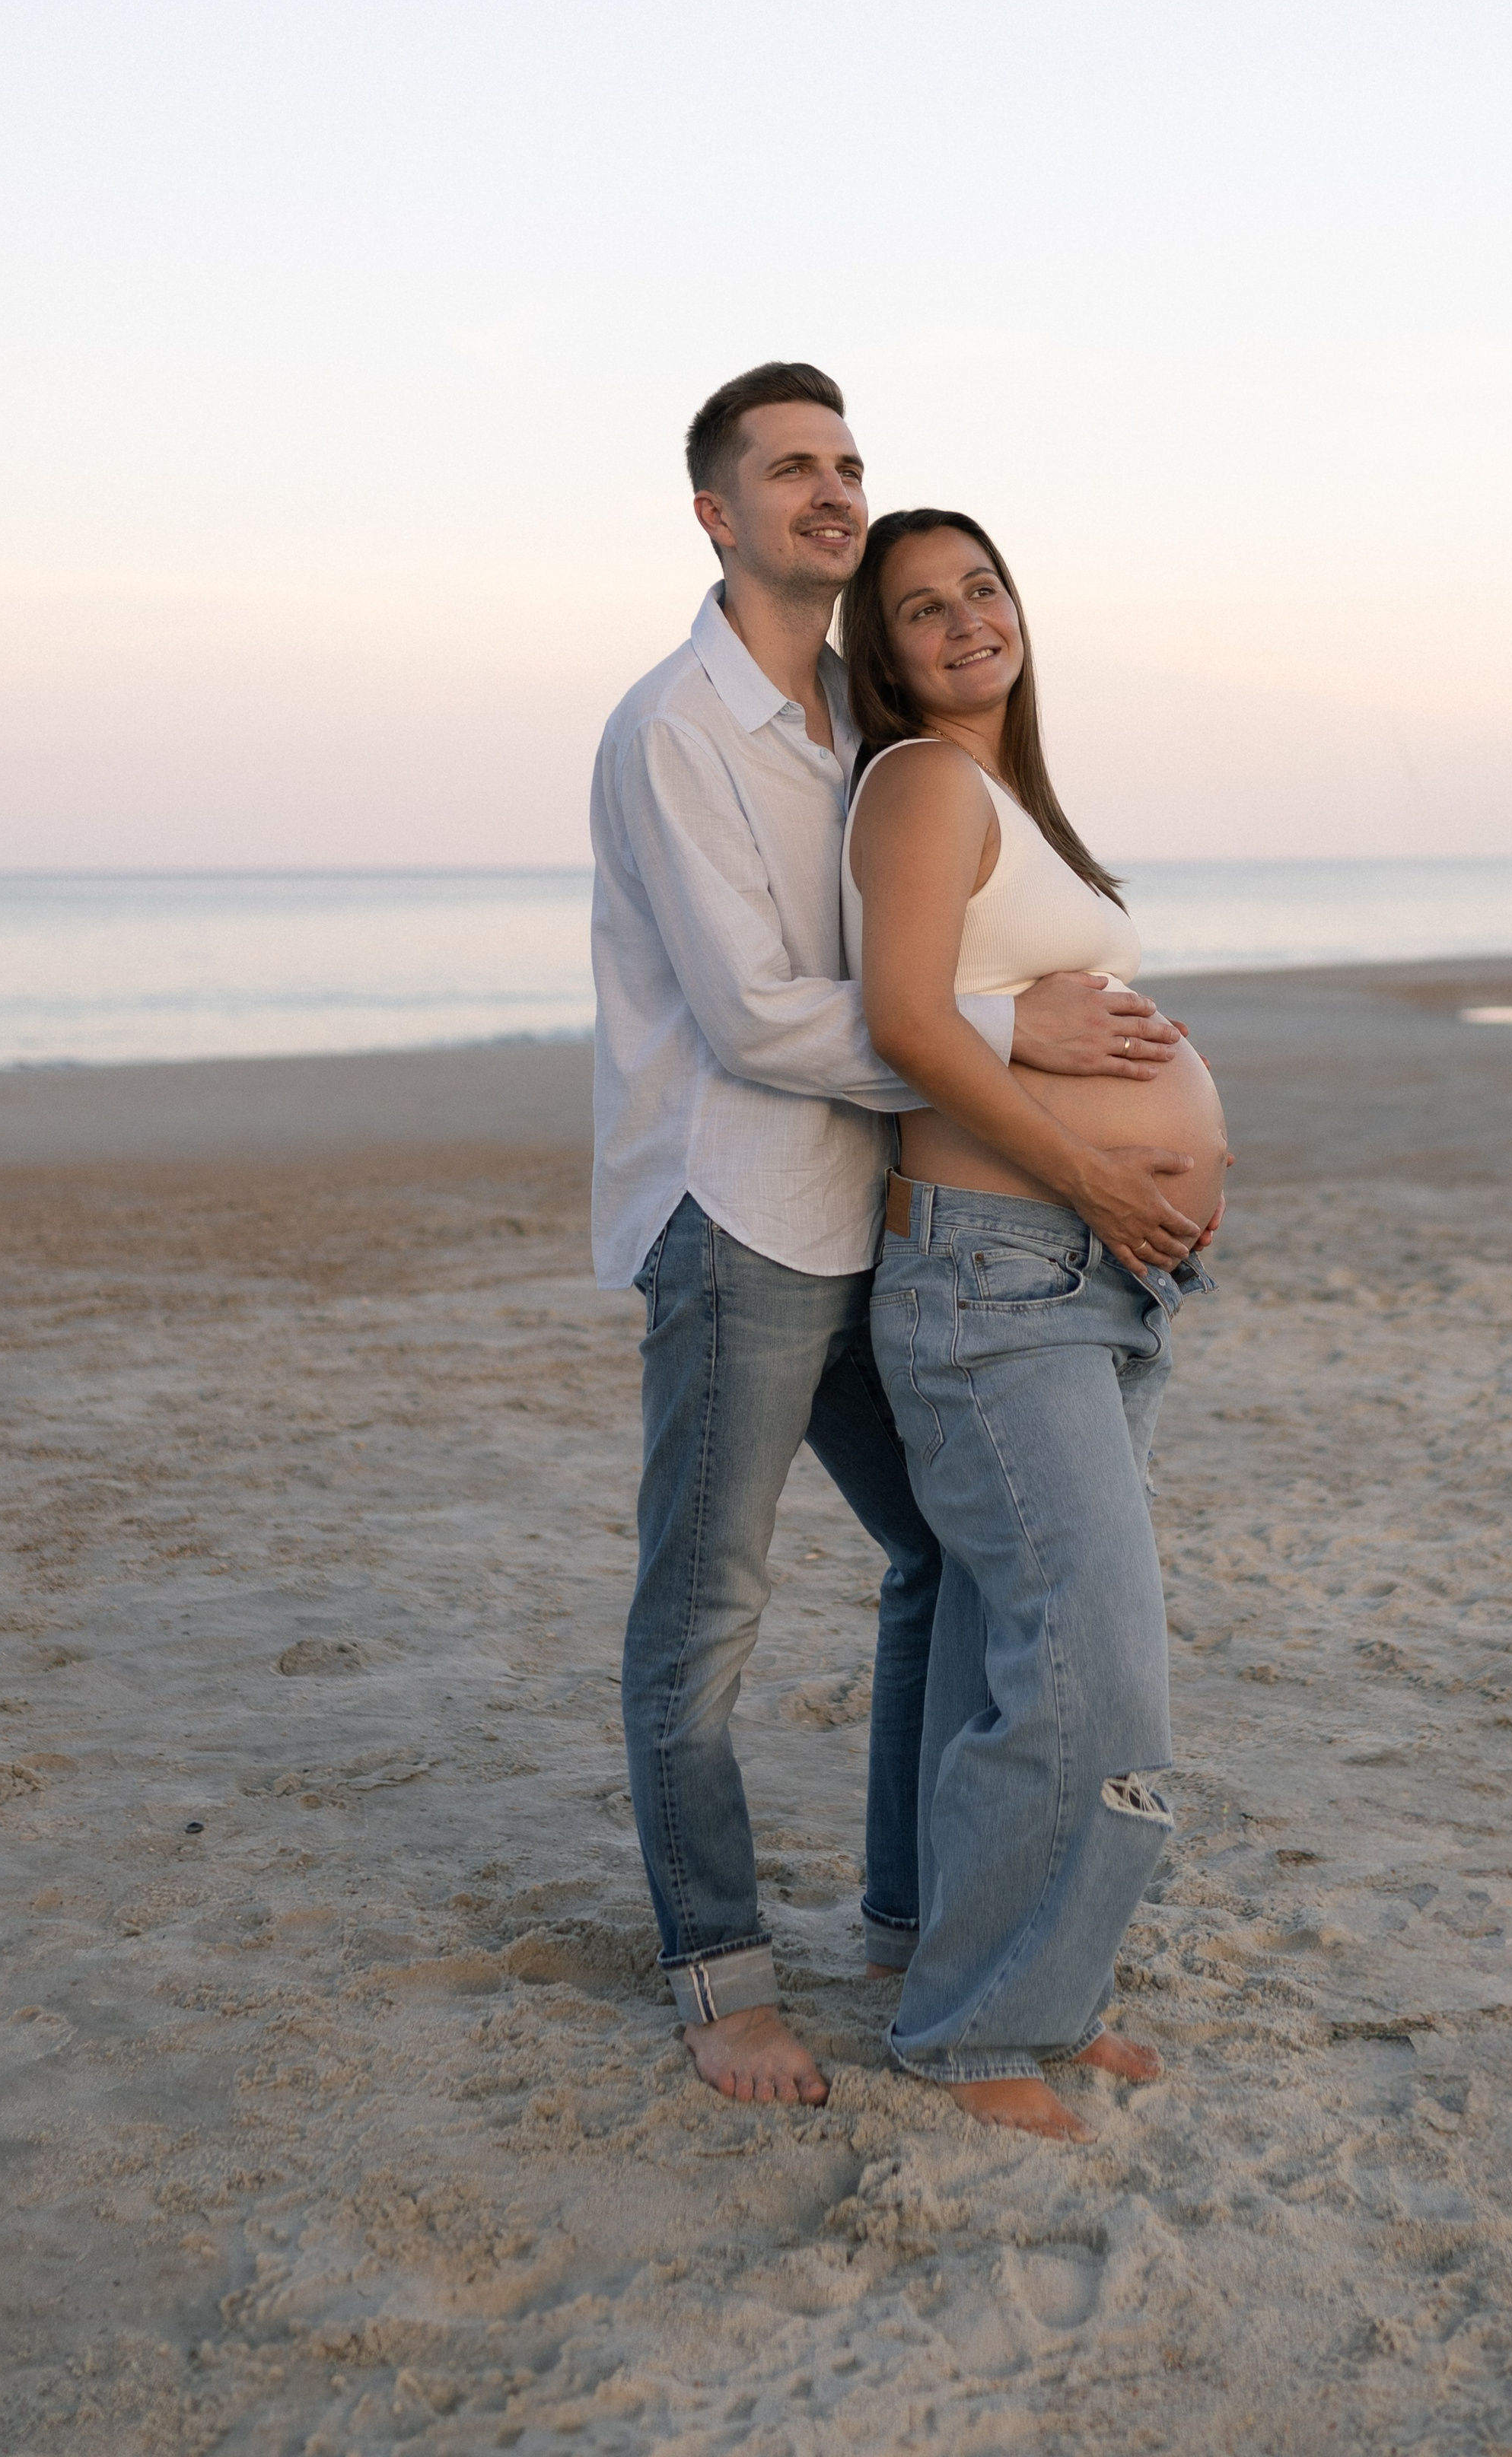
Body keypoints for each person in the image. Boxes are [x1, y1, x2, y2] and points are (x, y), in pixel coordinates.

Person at [588, 364, 1193, 2107]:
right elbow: (763, 1016)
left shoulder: (859, 726)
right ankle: (718, 1977)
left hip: (878, 1223)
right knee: (703, 1612)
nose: (829, 490)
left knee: (943, 1558)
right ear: (717, 511)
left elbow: (930, 953)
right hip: (740, 1220)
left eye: (845, 461)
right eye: (790, 469)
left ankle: (908, 1921)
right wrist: (1020, 1040)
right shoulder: (675, 732)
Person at [841, 506, 1230, 2141]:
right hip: (1000, 1275)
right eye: (921, 607)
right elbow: (906, 1021)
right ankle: (974, 2029)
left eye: (981, 589)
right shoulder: (919, 782)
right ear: (883, 647)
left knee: (1024, 1643)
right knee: (1091, 1666)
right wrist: (1095, 1169)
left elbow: (1032, 1008)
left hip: (1087, 1280)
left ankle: (1018, 1991)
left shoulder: (1010, 804)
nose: (961, 621)